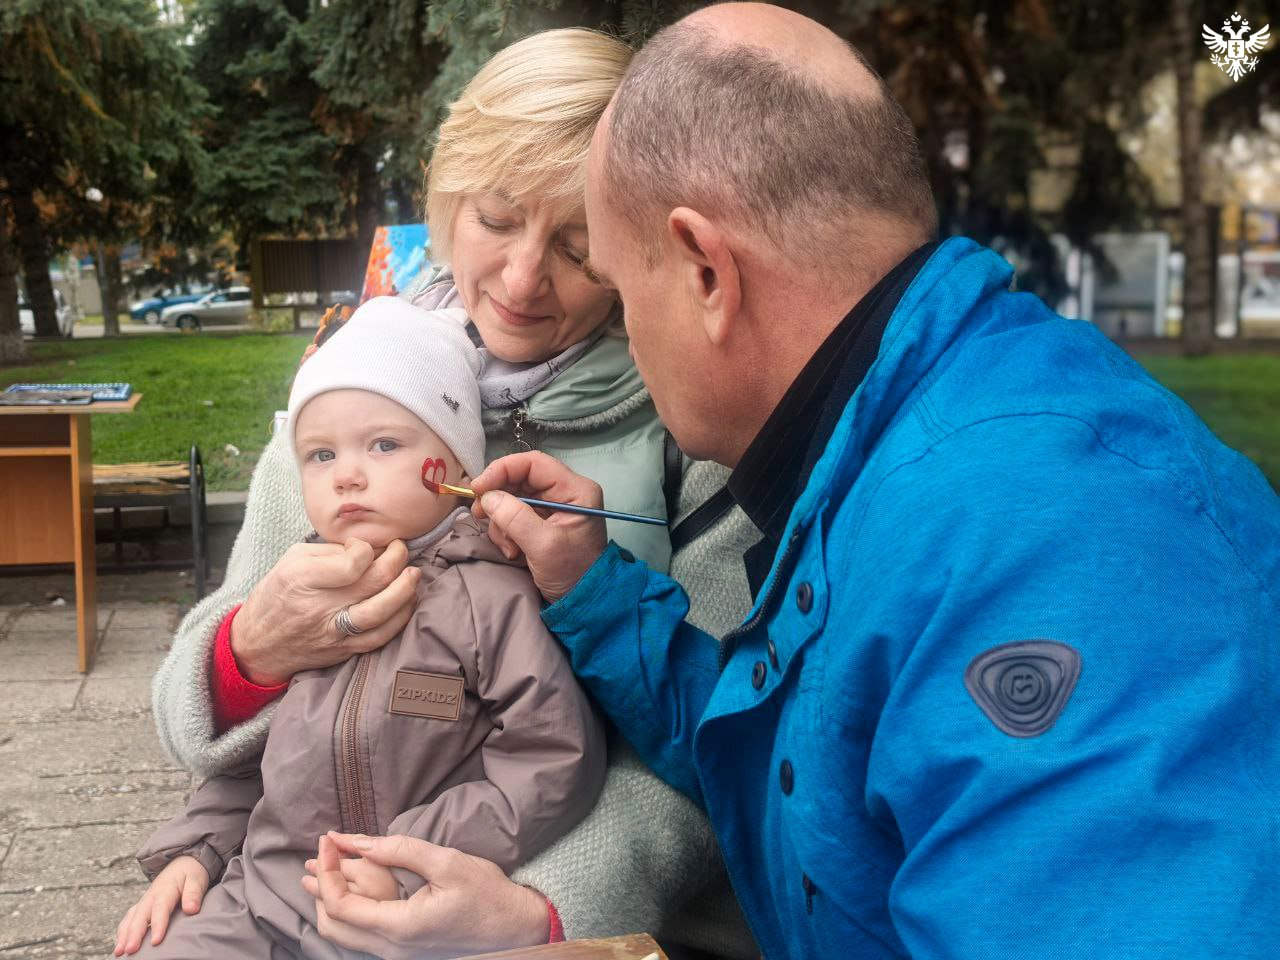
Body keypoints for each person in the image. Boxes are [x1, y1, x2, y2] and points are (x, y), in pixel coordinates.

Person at [460, 4, 1280, 959]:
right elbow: (813, 756)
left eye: (621, 286)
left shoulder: (1053, 536)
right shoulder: (895, 445)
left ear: (705, 272)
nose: (632, 335)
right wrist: (595, 594)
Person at [149, 27, 759, 960]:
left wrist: (543, 907)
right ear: (443, 205)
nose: (521, 280)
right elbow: (218, 717)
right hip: (292, 900)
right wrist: (246, 658)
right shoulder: (347, 398)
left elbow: (725, 737)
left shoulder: (699, 428)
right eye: (497, 217)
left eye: (577, 246)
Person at [115, 299, 605, 958]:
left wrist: (409, 857)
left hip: (408, 915)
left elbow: (551, 761)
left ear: (458, 468)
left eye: (383, 444)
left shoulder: (492, 600)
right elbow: (254, 760)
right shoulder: (300, 589)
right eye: (320, 454)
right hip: (262, 897)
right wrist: (198, 849)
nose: (347, 473)